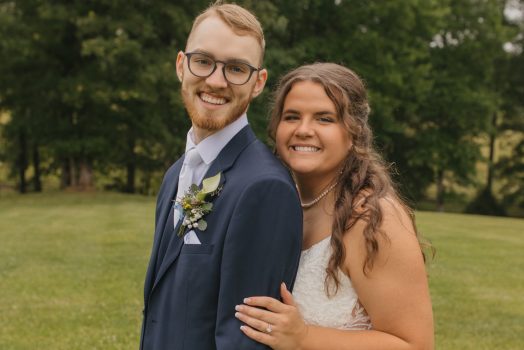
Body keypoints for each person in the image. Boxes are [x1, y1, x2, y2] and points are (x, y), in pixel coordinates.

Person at [234, 63, 435, 350]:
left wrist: (304, 337)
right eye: (292, 116)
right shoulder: (280, 204)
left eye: (324, 119)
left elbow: (416, 345)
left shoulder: (373, 218)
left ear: (354, 132)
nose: (303, 130)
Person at [140, 3, 302, 350]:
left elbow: (245, 342)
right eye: (204, 61)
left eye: (236, 68)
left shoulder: (264, 188)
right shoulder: (176, 174)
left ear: (258, 82)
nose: (216, 80)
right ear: (181, 65)